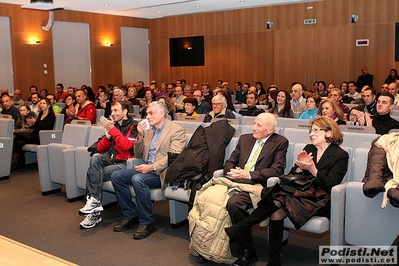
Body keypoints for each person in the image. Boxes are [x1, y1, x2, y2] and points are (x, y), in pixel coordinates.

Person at [224, 117, 349, 266]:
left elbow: (330, 184)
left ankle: (242, 227)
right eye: (311, 130)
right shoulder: (310, 148)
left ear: (329, 133)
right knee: (277, 208)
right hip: (301, 194)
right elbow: (292, 175)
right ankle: (274, 257)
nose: (311, 134)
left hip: (320, 199)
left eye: (316, 130)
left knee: (279, 196)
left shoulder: (341, 155)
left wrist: (312, 169)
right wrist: (299, 168)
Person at [214, 113, 289, 266]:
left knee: (234, 204)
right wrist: (232, 171)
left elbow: (277, 170)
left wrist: (249, 174)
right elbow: (230, 161)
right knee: (208, 198)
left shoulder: (280, 142)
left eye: (259, 126)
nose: (254, 128)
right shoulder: (244, 139)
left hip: (257, 185)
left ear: (270, 130)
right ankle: (211, 245)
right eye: (254, 123)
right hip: (236, 181)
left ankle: (247, 251)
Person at [110, 101, 186, 239]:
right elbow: (138, 154)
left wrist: (151, 167)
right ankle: (131, 215)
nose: (148, 116)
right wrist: (139, 136)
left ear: (162, 113)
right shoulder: (149, 131)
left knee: (138, 179)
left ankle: (147, 222)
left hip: (163, 172)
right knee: (116, 176)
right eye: (147, 113)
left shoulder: (176, 130)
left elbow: (174, 157)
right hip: (146, 168)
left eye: (151, 113)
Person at [78, 101, 138, 229]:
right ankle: (94, 202)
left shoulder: (134, 126)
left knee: (93, 174)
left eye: (116, 110)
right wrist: (107, 137)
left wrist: (113, 130)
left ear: (125, 112)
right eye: (111, 111)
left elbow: (127, 146)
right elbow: (100, 148)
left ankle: (94, 211)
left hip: (127, 164)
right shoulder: (114, 126)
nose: (113, 114)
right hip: (113, 160)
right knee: (95, 158)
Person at [13, 98, 55, 169]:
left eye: (44, 103)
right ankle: (19, 161)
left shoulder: (51, 115)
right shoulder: (41, 113)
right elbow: (37, 126)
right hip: (35, 133)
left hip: (42, 136)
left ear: (48, 105)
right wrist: (31, 122)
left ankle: (14, 159)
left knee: (19, 135)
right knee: (20, 142)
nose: (42, 105)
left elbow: (48, 127)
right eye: (40, 103)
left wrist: (35, 122)